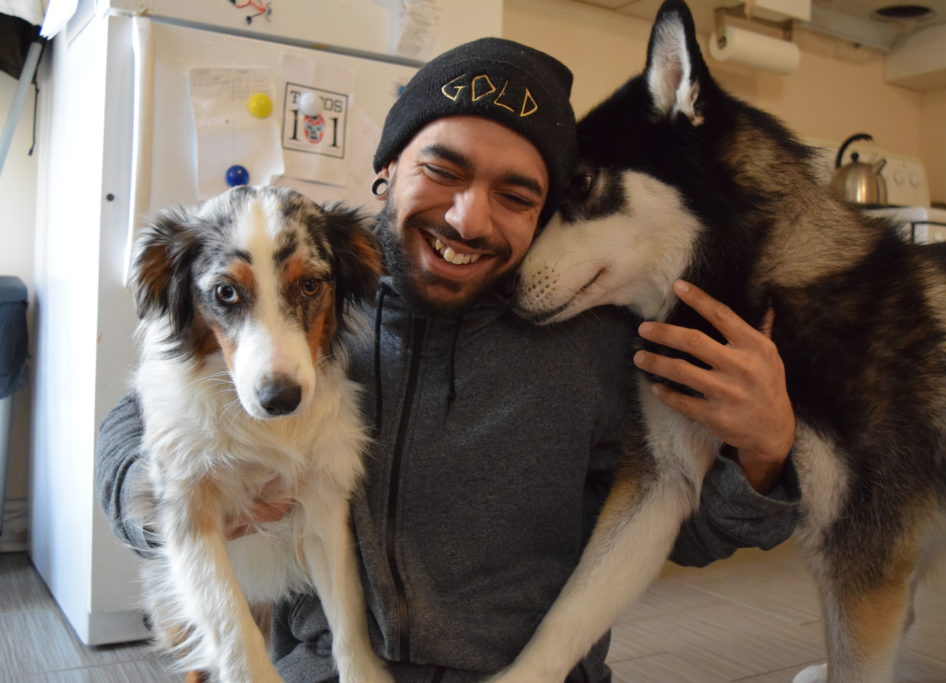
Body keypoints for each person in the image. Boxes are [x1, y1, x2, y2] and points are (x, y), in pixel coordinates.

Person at [97, 37, 799, 682]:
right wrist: (168, 506)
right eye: (443, 168)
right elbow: (135, 427)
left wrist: (763, 455)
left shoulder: (604, 336)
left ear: (544, 214)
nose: (468, 219)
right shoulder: (318, 287)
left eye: (515, 195)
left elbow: (682, 527)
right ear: (390, 165)